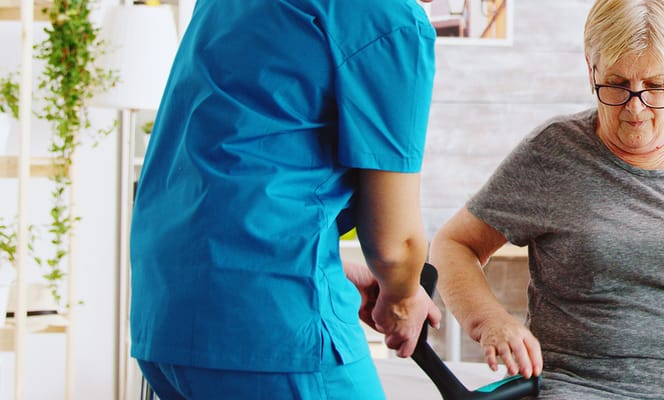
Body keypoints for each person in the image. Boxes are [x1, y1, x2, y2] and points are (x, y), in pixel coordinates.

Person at [428, 0, 664, 398]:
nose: (636, 108)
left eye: (655, 86)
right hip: (578, 387)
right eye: (617, 85)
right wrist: (490, 321)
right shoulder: (553, 152)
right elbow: (453, 245)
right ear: (591, 69)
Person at [129, 0, 439, 398]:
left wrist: (334, 267)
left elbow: (228, 167)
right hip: (273, 330)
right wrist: (400, 298)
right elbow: (397, 247)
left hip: (168, 318)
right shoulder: (386, 16)